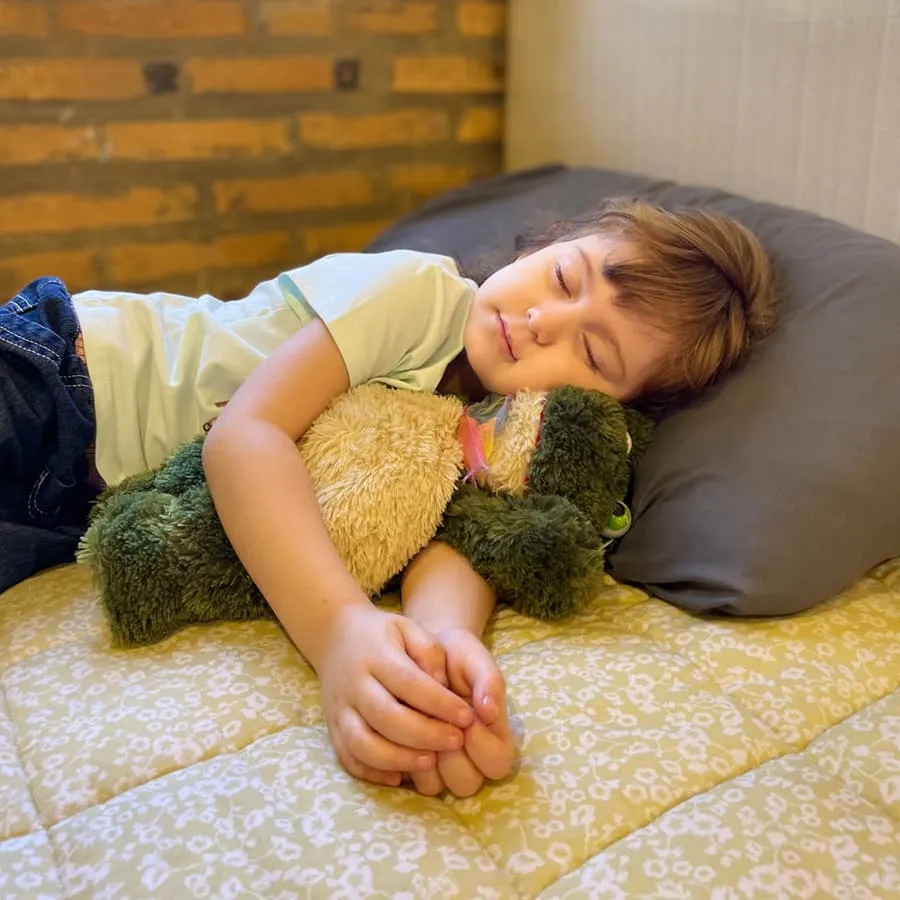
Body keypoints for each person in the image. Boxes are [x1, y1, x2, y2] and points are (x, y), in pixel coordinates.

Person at [0, 199, 776, 797]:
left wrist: (440, 679)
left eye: (592, 352)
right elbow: (244, 438)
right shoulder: (421, 295)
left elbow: (452, 535)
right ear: (544, 245)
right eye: (567, 278)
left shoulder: (499, 430)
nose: (544, 321)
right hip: (65, 377)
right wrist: (341, 632)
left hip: (68, 507)